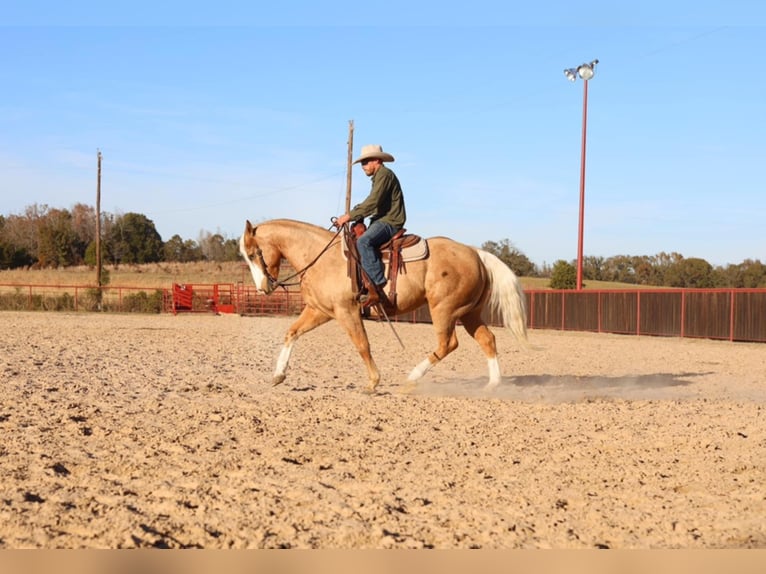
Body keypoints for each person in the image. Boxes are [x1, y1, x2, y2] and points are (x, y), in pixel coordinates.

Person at [336, 144, 406, 307]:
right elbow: (372, 202)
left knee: (363, 242)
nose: (363, 167)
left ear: (376, 160)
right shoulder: (379, 177)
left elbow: (373, 202)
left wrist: (349, 216)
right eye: (362, 163)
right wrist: (356, 216)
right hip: (382, 220)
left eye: (365, 162)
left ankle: (376, 285)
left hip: (390, 221)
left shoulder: (385, 175)